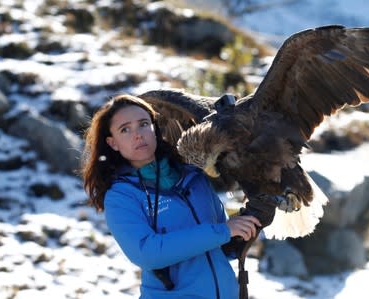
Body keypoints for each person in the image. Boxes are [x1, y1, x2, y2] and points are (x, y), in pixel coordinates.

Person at [80, 93, 264, 299]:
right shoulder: (121, 196)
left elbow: (219, 244)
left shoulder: (193, 177)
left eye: (143, 124)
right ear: (112, 143)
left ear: (155, 128)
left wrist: (245, 226)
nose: (138, 134)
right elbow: (147, 253)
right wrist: (222, 231)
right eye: (125, 130)